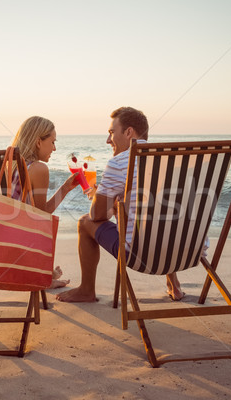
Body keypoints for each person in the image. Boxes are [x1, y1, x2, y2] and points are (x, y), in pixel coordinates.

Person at [56, 107, 185, 302]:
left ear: (128, 132)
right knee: (162, 213)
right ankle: (174, 284)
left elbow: (97, 217)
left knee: (84, 223)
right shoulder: (171, 160)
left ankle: (86, 290)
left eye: (111, 133)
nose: (108, 140)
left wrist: (98, 197)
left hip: (141, 255)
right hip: (187, 250)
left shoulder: (119, 163)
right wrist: (116, 203)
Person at [10, 116, 80, 288]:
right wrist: (64, 189)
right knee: (41, 221)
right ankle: (40, 274)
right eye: (52, 142)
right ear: (38, 142)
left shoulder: (8, 166)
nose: (54, 148)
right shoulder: (38, 168)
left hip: (3, 243)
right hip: (21, 246)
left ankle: (44, 272)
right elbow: (42, 215)